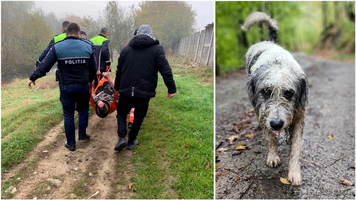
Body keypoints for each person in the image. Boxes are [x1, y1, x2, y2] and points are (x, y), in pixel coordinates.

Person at [28, 23, 97, 152]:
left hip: (66, 88)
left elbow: (45, 66)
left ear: (66, 33)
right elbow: (94, 67)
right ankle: (82, 134)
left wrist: (33, 77)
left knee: (68, 114)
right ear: (78, 33)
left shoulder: (57, 47)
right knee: (83, 110)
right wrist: (90, 81)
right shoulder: (88, 46)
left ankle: (71, 144)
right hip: (83, 86)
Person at [114, 24, 176, 151]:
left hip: (126, 88)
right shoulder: (157, 49)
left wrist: (116, 86)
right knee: (139, 115)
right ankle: (131, 141)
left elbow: (119, 70)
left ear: (137, 34)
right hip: (144, 90)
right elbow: (165, 70)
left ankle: (121, 138)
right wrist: (171, 88)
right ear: (151, 35)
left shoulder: (126, 49)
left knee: (121, 112)